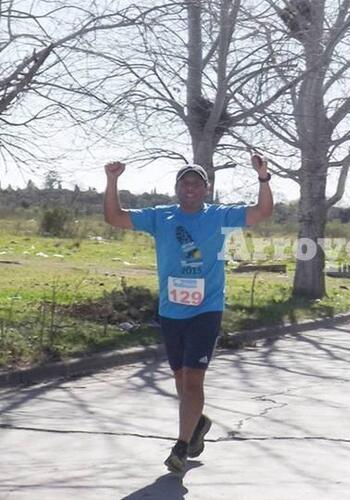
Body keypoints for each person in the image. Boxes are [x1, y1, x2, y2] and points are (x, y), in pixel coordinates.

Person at [103, 155, 273, 473]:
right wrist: (113, 181)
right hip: (171, 311)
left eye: (197, 183)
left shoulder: (220, 216)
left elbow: (263, 212)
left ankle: (181, 447)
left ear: (206, 190)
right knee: (181, 380)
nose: (191, 187)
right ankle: (197, 424)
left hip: (207, 309)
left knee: (193, 380)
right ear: (177, 188)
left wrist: (263, 178)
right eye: (185, 182)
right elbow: (114, 217)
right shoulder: (160, 217)